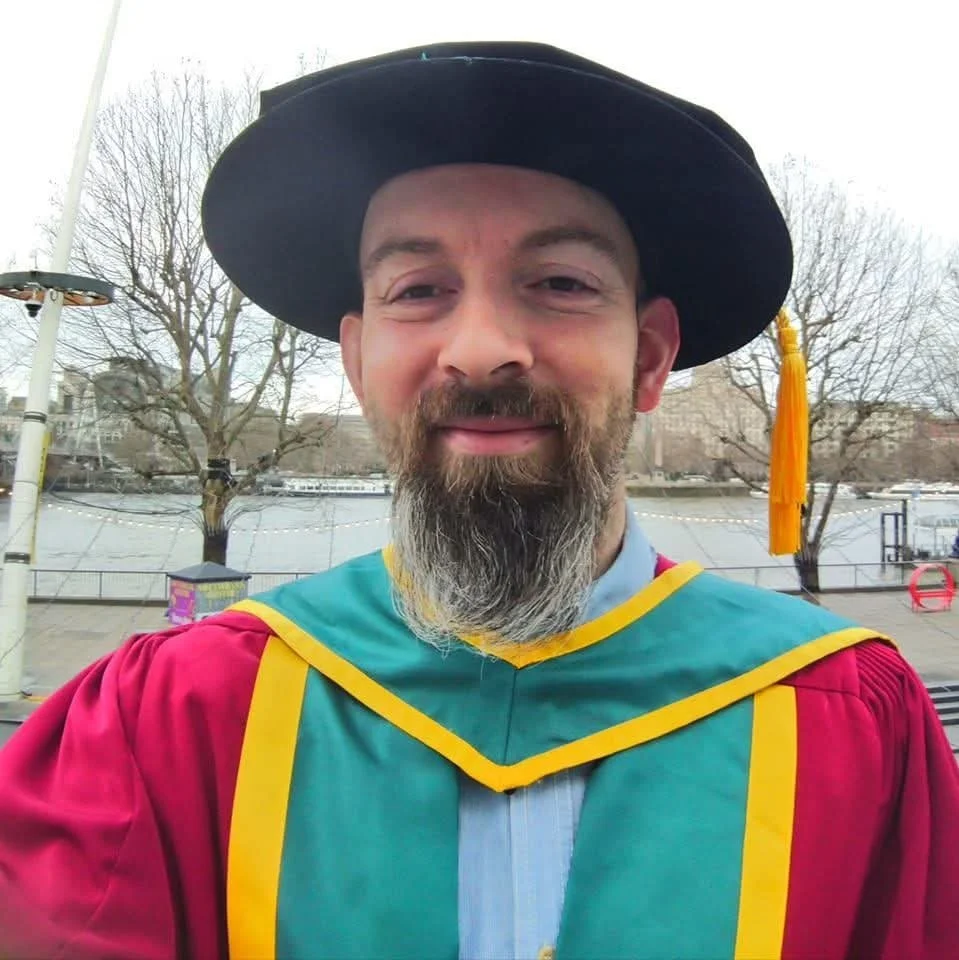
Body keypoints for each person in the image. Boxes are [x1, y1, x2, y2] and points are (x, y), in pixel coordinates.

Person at [1, 42, 957, 960]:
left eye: (558, 283)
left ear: (652, 357)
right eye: (418, 290)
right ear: (357, 360)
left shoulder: (843, 717)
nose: (480, 347)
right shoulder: (171, 716)